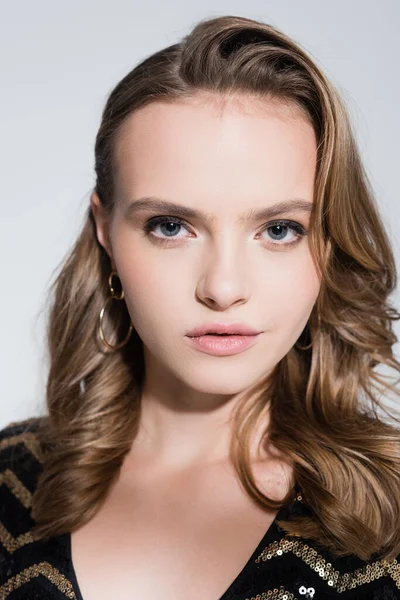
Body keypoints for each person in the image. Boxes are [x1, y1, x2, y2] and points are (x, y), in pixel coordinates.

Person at [1, 13, 400, 600]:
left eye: (281, 229)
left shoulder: (388, 514)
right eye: (170, 226)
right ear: (105, 230)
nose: (222, 286)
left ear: (331, 241)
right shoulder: (11, 478)